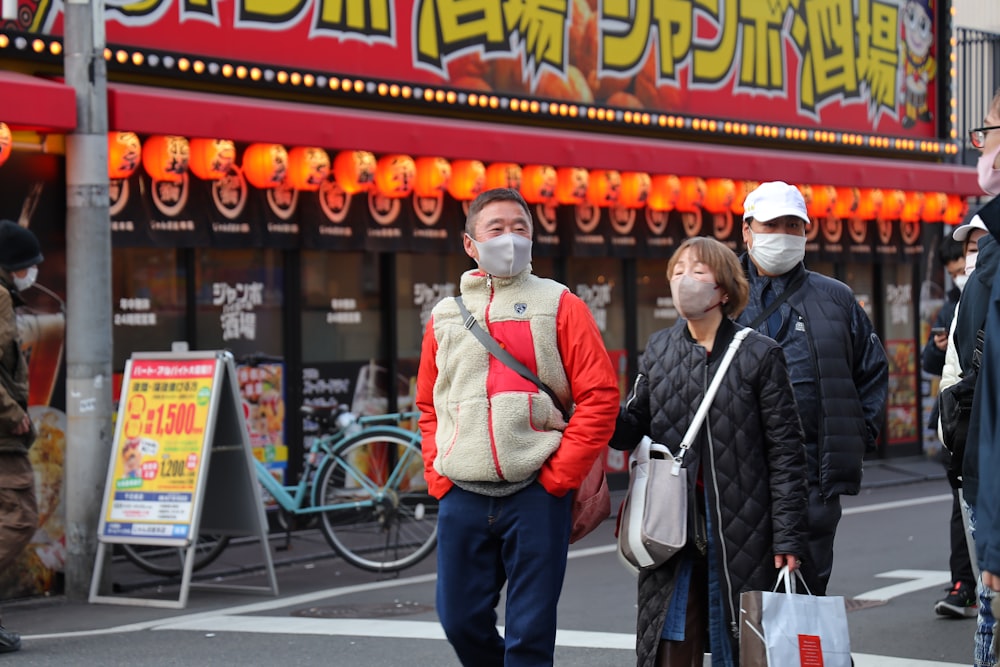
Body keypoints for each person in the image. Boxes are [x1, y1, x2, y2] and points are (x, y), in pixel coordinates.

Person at [415, 187, 620, 666]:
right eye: (496, 229)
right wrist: (437, 475)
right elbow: (428, 405)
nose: (510, 239)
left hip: (536, 492)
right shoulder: (445, 317)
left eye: (520, 228)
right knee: (459, 619)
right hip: (461, 491)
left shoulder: (560, 303)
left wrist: (558, 477)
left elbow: (600, 396)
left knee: (530, 634)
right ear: (470, 244)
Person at [611, 236, 809, 666]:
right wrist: (593, 405)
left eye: (698, 272)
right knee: (671, 637)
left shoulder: (759, 354)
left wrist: (789, 535)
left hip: (741, 528)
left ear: (724, 289)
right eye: (678, 271)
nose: (685, 280)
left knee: (735, 641)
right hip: (670, 525)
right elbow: (630, 428)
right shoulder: (660, 349)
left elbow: (786, 453)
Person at [736, 181, 889, 596]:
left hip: (811, 477)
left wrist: (855, 439)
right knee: (740, 602)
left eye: (793, 225)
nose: (783, 235)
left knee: (804, 596)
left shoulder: (836, 298)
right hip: (735, 474)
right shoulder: (723, 293)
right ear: (746, 230)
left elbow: (872, 372)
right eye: (772, 225)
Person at [922, 232, 978, 618]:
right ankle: (964, 582)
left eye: (969, 258)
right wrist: (937, 347)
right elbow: (930, 361)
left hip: (977, 417)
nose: (962, 272)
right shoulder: (952, 304)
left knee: (969, 508)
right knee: (961, 508)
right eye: (957, 266)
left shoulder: (984, 293)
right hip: (956, 420)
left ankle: (969, 582)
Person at [0, 219, 43, 654]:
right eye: (27, 265)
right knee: (19, 516)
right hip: (1, 434)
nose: (32, 273)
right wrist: (13, 414)